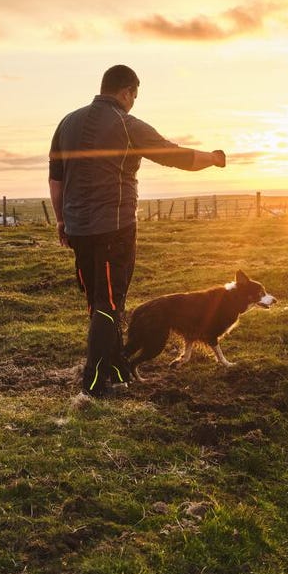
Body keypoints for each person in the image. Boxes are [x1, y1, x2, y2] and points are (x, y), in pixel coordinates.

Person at [48, 64, 226, 398]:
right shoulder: (126, 124)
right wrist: (214, 158)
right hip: (113, 229)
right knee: (109, 304)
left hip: (78, 230)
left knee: (99, 303)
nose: (133, 102)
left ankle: (115, 369)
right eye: (134, 96)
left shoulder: (66, 123)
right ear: (127, 91)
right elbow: (175, 155)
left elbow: (56, 180)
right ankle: (95, 383)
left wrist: (61, 221)